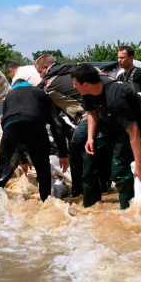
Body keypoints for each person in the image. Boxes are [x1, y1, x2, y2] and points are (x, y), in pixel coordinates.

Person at [71, 63, 141, 209]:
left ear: (86, 84)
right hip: (107, 124)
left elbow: (134, 131)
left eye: (76, 84)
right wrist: (90, 138)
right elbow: (92, 112)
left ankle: (128, 211)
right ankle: (90, 208)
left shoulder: (116, 97)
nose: (74, 87)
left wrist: (139, 165)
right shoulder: (88, 93)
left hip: (128, 128)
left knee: (119, 169)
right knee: (89, 159)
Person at [0, 79, 69, 202]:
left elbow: (11, 124)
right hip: (35, 126)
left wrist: (21, 159)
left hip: (10, 129)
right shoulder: (41, 93)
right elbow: (56, 124)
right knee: (42, 168)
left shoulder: (9, 96)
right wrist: (63, 154)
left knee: (2, 169)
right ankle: (46, 202)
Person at [35, 54, 97, 197]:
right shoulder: (73, 70)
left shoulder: (48, 83)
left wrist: (63, 153)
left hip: (89, 115)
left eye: (39, 72)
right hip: (106, 111)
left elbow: (55, 123)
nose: (40, 76)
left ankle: (79, 191)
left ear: (46, 67)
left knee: (75, 148)